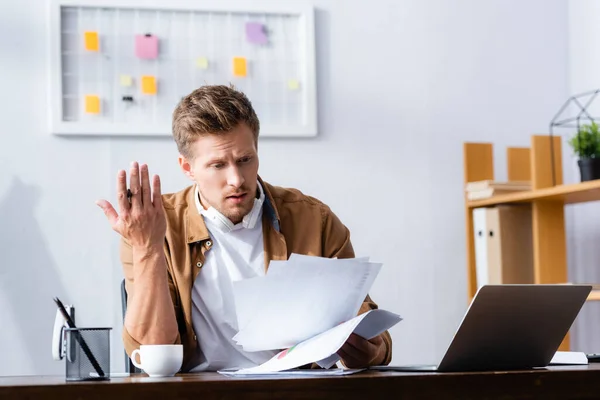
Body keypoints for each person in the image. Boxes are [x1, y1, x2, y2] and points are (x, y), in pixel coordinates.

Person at [96, 84, 392, 372]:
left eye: (245, 160)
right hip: (197, 394)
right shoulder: (155, 226)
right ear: (188, 168)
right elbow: (155, 354)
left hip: (294, 391)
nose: (236, 178)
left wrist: (367, 351)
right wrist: (147, 248)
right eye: (218, 165)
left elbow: (370, 332)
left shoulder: (314, 220)